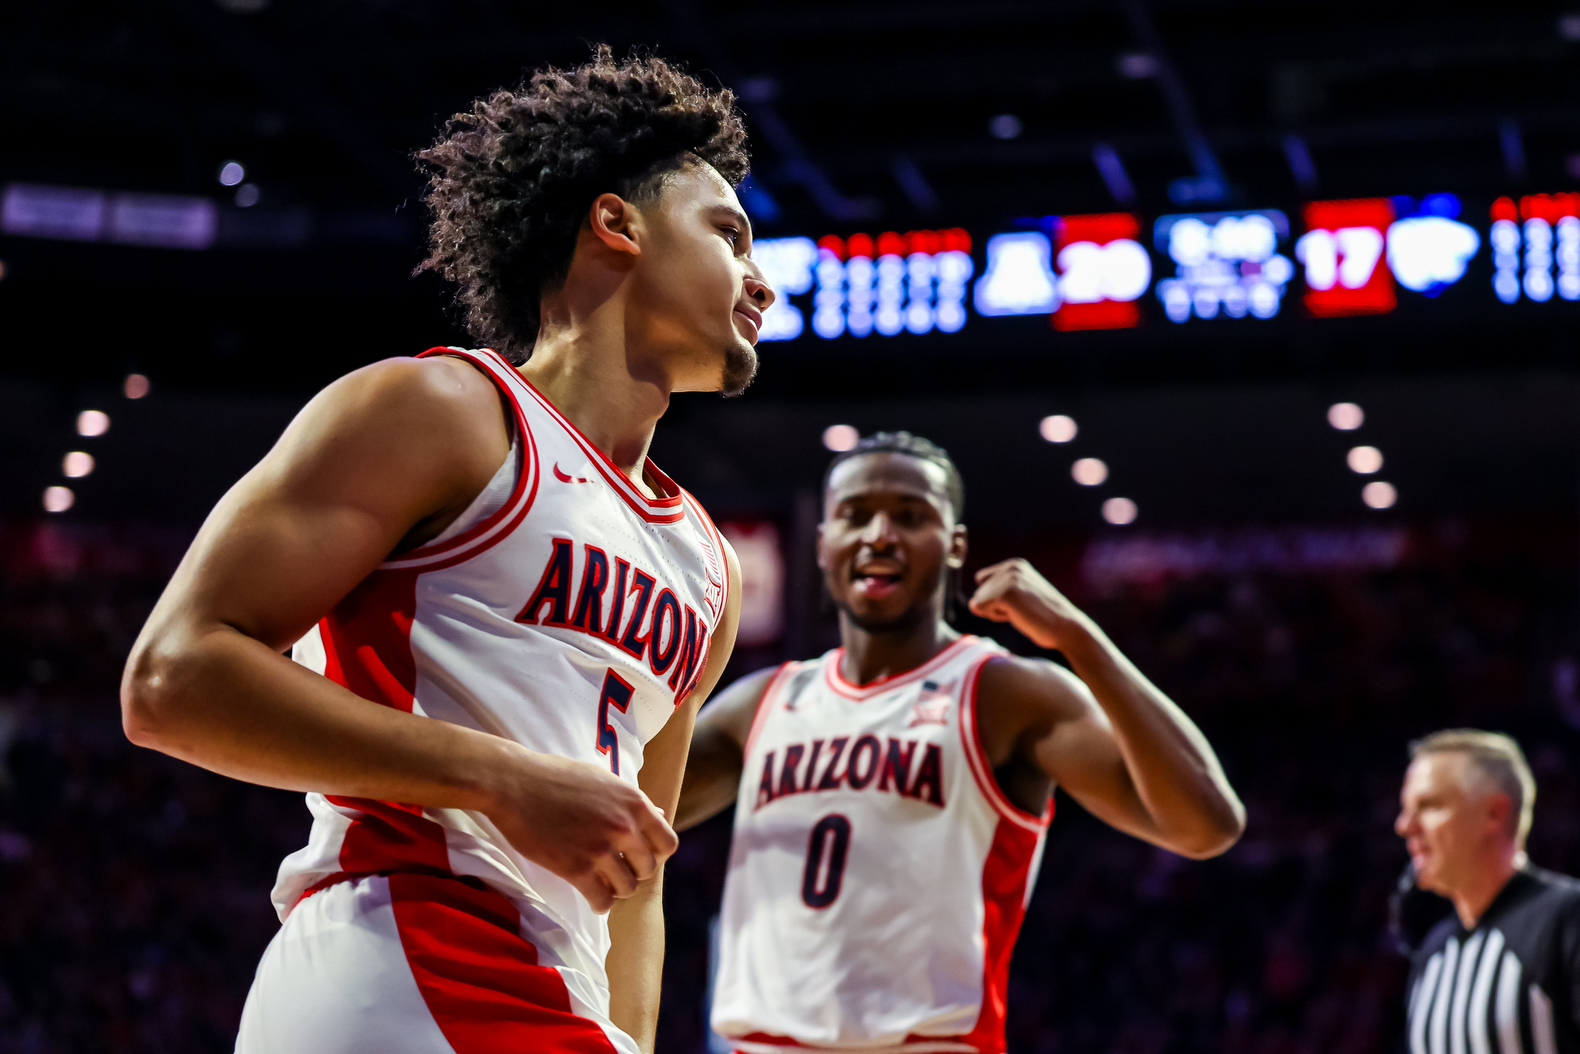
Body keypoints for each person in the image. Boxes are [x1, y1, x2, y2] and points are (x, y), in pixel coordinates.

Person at [119, 47, 771, 1054]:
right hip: (405, 945)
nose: (757, 279)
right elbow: (170, 680)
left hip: (550, 987)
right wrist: (499, 776)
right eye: (728, 233)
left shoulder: (707, 567)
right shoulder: (444, 412)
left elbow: (636, 871)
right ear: (616, 224)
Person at [676, 431, 1246, 1054]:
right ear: (823, 544)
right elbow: (629, 808)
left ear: (955, 546)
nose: (880, 534)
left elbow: (1206, 825)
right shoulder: (763, 703)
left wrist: (1079, 639)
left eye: (911, 516)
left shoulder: (1003, 692)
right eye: (856, 515)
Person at [1395, 730, 1580, 1054]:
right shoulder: (1434, 953)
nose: (1405, 825)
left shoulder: (1566, 918)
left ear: (1494, 813)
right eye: (1406, 809)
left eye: (1429, 805)